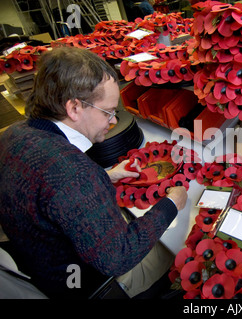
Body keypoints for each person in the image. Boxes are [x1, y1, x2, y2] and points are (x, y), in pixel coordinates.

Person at [0, 46, 187, 298]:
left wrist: (105, 177)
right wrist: (171, 204)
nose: (112, 121)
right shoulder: (72, 172)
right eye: (108, 111)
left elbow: (47, 191)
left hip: (42, 263)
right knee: (177, 246)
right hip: (82, 282)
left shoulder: (13, 132)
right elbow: (118, 258)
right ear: (74, 108)